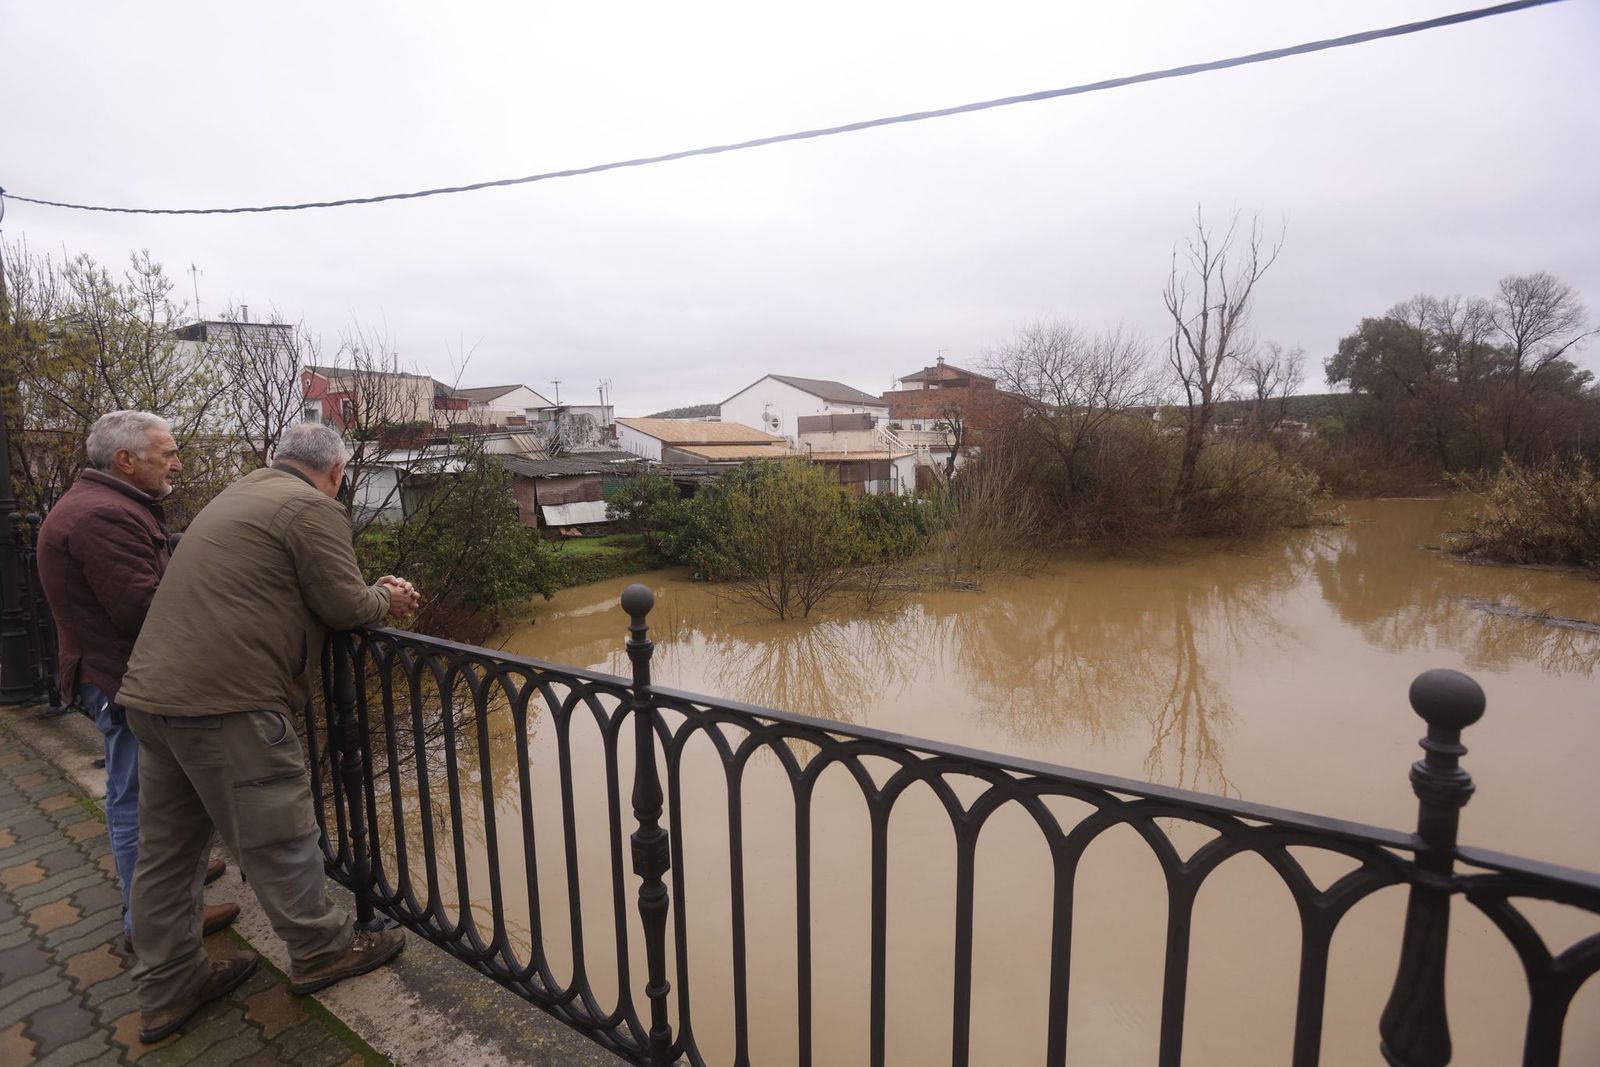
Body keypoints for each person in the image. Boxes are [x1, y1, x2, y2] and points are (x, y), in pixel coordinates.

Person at [117, 421, 421, 1043]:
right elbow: (342, 605)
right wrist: (386, 597)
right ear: (336, 473)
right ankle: (322, 951)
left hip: (152, 698)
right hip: (225, 704)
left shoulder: (238, 492)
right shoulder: (310, 507)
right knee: (278, 834)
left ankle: (168, 987)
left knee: (167, 858)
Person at [35, 411, 239, 953]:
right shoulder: (105, 516)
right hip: (122, 679)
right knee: (135, 801)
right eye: (167, 452)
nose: (177, 461)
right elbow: (144, 609)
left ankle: (169, 895)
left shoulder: (103, 504)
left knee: (149, 794)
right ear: (125, 460)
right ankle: (147, 929)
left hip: (117, 674)